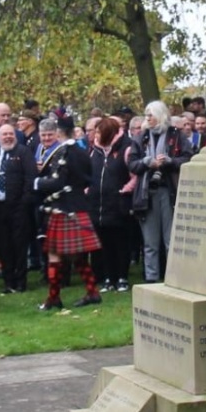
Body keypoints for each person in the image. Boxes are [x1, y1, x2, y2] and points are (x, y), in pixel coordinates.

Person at [35, 115, 102, 310]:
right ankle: (92, 292)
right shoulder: (82, 152)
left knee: (54, 255)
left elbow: (58, 182)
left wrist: (37, 182)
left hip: (64, 208)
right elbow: (88, 178)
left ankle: (54, 298)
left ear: (58, 132)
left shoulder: (63, 152)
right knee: (79, 256)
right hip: (79, 205)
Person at [127, 100, 192, 284]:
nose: (147, 118)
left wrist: (170, 161)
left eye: (150, 115)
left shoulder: (176, 135)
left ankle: (175, 278)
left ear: (161, 115)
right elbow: (132, 163)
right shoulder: (142, 137)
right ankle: (151, 278)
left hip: (169, 191)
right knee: (149, 242)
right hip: (147, 193)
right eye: (146, 115)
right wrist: (147, 162)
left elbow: (188, 157)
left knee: (171, 239)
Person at [0, 119, 35, 294]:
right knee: (4, 245)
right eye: (4, 134)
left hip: (19, 207)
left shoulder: (23, 153)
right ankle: (8, 281)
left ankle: (21, 281)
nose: (7, 137)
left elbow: (30, 178)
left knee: (20, 245)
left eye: (10, 134)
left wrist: (24, 201)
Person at [88, 116, 133, 294]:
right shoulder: (95, 151)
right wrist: (88, 190)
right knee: (104, 244)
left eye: (98, 132)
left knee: (120, 243)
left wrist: (125, 190)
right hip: (99, 205)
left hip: (119, 205)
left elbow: (134, 175)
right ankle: (108, 277)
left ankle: (122, 277)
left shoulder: (126, 149)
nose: (95, 136)